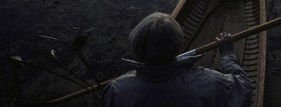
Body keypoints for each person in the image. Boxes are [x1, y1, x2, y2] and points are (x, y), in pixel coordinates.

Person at [102, 12, 253, 107]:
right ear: (178, 46)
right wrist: (227, 54)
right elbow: (244, 90)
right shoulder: (209, 82)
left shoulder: (117, 89)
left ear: (137, 48)